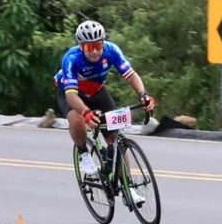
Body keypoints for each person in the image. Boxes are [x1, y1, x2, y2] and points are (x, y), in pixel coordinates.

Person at [54, 20, 156, 183]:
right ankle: (83, 153)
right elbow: (71, 96)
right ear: (81, 46)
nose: (94, 51)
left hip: (96, 90)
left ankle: (127, 186)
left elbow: (131, 75)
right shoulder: (71, 58)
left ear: (103, 43)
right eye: (89, 47)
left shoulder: (111, 50)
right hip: (72, 92)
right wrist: (86, 112)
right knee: (77, 117)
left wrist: (143, 94)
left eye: (98, 45)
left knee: (114, 138)